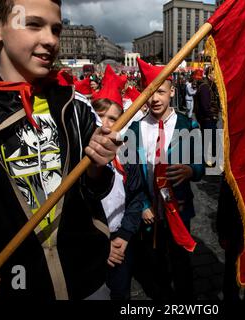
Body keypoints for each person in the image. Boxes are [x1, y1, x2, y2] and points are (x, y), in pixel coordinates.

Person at [0, 0, 121, 300]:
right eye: (33, 24)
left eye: (56, 29)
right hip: (10, 286)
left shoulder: (76, 108)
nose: (50, 40)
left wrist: (96, 167)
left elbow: (94, 191)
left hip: (88, 282)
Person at [128, 58, 205, 300]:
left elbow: (204, 167)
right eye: (150, 92)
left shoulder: (188, 124)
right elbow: (130, 177)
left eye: (161, 91)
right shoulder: (134, 129)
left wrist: (191, 170)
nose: (155, 99)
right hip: (151, 213)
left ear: (172, 91)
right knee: (156, 262)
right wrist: (142, 206)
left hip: (180, 209)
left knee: (181, 262)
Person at [91, 66, 147, 300]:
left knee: (120, 292)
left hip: (122, 239)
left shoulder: (128, 153)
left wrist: (124, 236)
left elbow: (136, 197)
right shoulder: (79, 155)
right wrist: (102, 248)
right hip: (92, 245)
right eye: (100, 115)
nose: (105, 123)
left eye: (113, 118)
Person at [194, 68, 221, 166]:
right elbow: (205, 106)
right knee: (211, 142)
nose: (217, 76)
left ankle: (208, 161)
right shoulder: (205, 87)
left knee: (210, 141)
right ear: (209, 75)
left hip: (208, 119)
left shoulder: (209, 86)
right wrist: (212, 116)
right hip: (208, 120)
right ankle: (209, 162)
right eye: (215, 74)